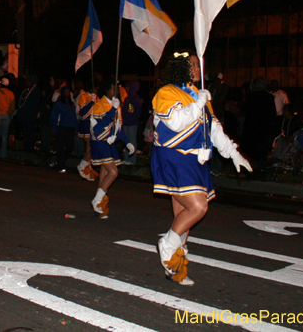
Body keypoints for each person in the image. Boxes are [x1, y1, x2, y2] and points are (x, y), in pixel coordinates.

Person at [152, 52, 251, 285]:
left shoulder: (199, 95)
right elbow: (176, 123)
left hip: (195, 159)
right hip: (174, 156)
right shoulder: (166, 93)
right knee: (198, 207)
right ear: (180, 68)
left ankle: (175, 268)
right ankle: (167, 244)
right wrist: (198, 104)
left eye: (198, 64)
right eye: (193, 65)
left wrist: (233, 153)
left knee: (181, 214)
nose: (198, 68)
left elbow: (214, 129)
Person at [89, 77, 134, 218]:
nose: (115, 92)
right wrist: (112, 109)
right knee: (113, 172)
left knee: (104, 172)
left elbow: (118, 128)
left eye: (117, 89)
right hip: (100, 142)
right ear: (106, 89)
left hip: (109, 143)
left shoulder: (117, 105)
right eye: (112, 89)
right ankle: (96, 200)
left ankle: (100, 205)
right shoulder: (99, 105)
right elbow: (100, 126)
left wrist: (127, 142)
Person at [73, 79, 97, 181]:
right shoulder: (83, 97)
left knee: (90, 149)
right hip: (86, 126)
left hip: (94, 126)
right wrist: (92, 102)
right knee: (92, 147)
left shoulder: (95, 97)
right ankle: (82, 165)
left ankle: (87, 171)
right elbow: (83, 115)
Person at [50, 86, 76, 172]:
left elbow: (74, 116)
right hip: (61, 127)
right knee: (60, 147)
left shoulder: (71, 104)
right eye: (65, 92)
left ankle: (59, 162)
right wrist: (54, 128)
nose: (67, 93)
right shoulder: (58, 103)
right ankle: (61, 165)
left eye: (68, 92)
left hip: (70, 128)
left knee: (70, 147)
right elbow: (54, 116)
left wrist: (75, 127)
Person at [0, 76, 15, 160]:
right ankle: (3, 154)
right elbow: (12, 107)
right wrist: (10, 114)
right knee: (4, 136)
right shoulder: (11, 94)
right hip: (6, 115)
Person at [120, 80, 142, 165]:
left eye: (128, 86)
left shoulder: (134, 98)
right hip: (126, 122)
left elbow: (132, 111)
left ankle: (132, 160)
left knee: (132, 141)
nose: (126, 88)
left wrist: (128, 106)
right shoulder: (127, 98)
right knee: (127, 141)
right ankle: (126, 158)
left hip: (132, 123)